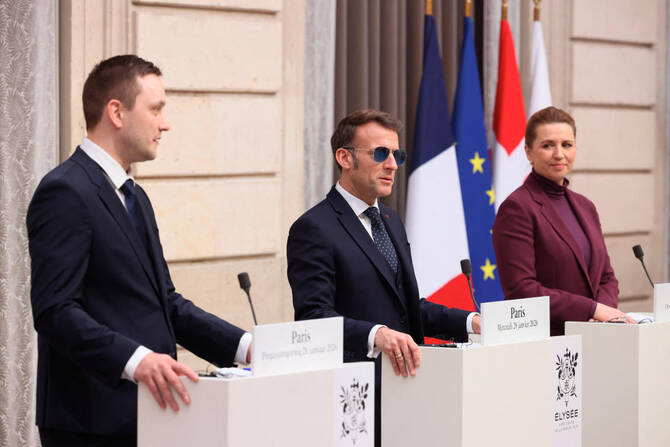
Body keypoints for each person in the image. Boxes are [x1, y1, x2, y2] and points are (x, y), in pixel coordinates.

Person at [27, 55, 251, 447]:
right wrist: (137, 361)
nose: (165, 124)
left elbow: (166, 303)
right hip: (90, 425)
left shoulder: (136, 196)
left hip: (149, 416)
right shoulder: (65, 191)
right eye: (156, 109)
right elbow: (55, 311)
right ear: (117, 112)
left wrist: (246, 348)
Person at [287, 109, 480, 446]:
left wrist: (471, 322)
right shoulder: (313, 228)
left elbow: (406, 308)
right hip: (354, 400)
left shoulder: (390, 220)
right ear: (345, 158)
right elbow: (313, 318)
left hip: (408, 390)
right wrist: (375, 334)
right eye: (380, 153)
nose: (392, 164)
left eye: (397, 155)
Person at [492, 106, 634, 336]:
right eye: (547, 145)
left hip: (597, 335)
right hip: (547, 341)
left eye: (566, 144)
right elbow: (521, 290)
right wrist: (592, 310)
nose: (559, 154)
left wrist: (602, 315)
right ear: (528, 152)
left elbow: (606, 277)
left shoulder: (586, 206)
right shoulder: (517, 208)